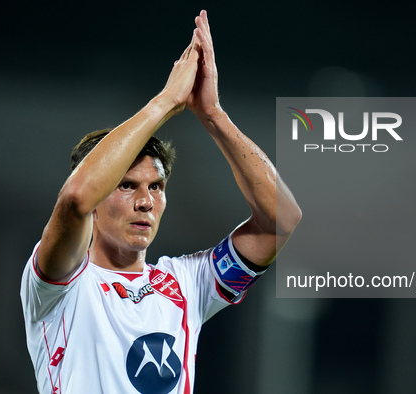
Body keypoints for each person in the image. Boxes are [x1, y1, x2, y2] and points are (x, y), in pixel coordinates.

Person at [20, 10, 301, 394]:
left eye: (156, 187)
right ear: (100, 199)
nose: (145, 202)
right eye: (126, 186)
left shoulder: (186, 283)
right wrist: (167, 102)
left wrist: (214, 116)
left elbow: (281, 219)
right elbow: (75, 199)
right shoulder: (60, 282)